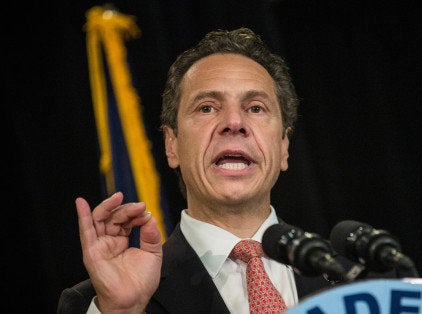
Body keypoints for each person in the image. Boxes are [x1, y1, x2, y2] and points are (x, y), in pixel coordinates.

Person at [57, 27, 395, 314]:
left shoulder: (360, 283)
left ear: (283, 147)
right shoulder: (101, 301)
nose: (234, 123)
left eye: (255, 107)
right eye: (207, 108)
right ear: (171, 144)